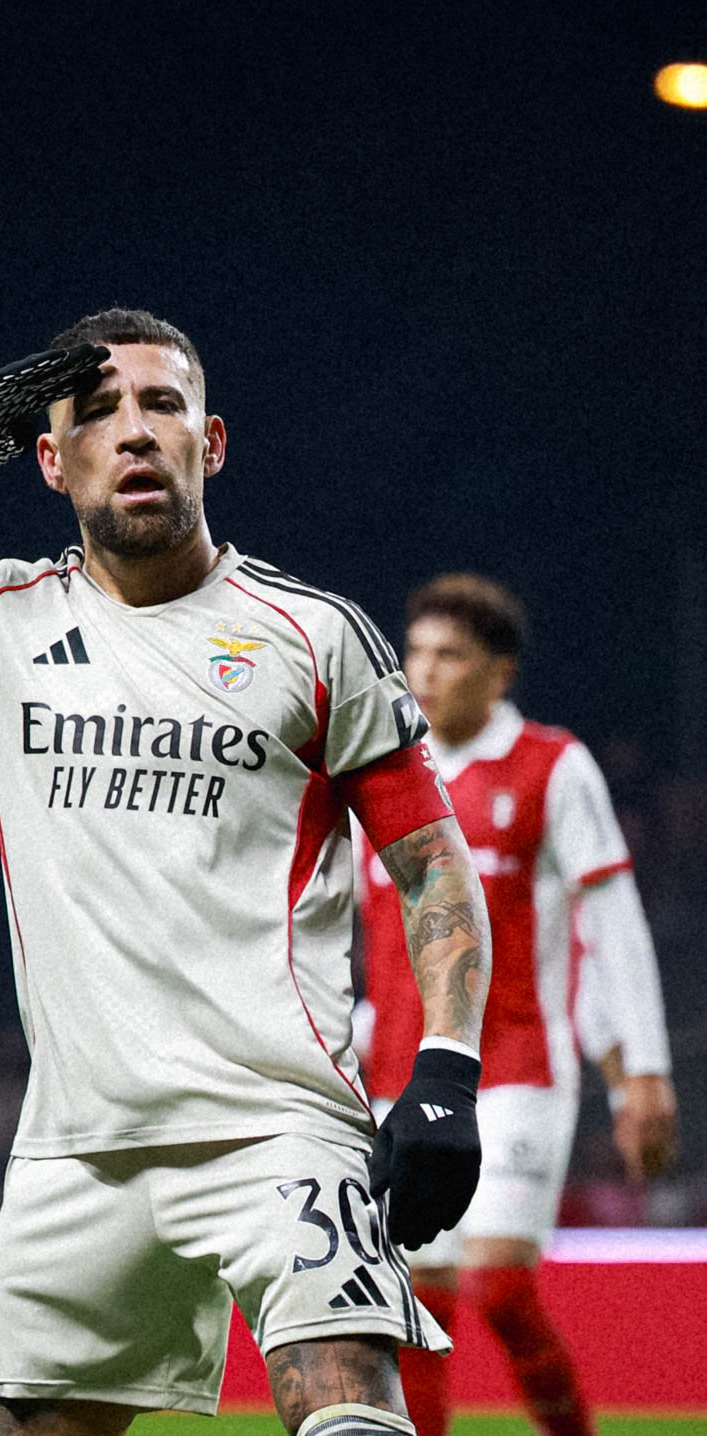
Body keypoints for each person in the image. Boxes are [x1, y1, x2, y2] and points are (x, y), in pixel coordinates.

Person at [0, 308, 494, 1436]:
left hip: (278, 1126)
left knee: (348, 1408)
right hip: (76, 1149)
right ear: (49, 460)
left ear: (209, 443)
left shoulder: (315, 635)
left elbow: (431, 867)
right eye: (95, 412)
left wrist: (447, 1071)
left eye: (162, 404)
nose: (133, 430)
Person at [354, 573, 678, 1436]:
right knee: (416, 1302)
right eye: (416, 651)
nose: (426, 671)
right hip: (399, 1071)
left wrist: (641, 1071)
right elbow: (336, 918)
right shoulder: (382, 767)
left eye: (450, 655)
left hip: (518, 1067)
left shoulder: (549, 765)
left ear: (499, 672)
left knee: (497, 1286)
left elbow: (611, 921)